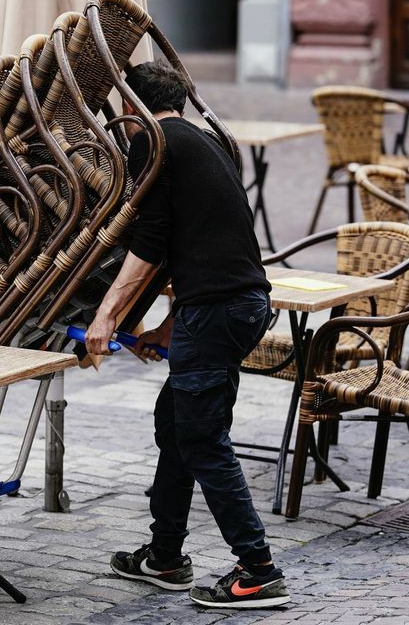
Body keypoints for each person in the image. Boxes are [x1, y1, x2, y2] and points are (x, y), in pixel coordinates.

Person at [84, 61, 290, 609]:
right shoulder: (201, 141)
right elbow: (203, 245)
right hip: (236, 305)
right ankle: (165, 556)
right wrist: (166, 329)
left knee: (201, 439)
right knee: (176, 426)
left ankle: (259, 570)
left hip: (221, 311)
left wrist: (106, 318)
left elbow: (151, 244)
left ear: (132, 106)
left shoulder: (153, 141)